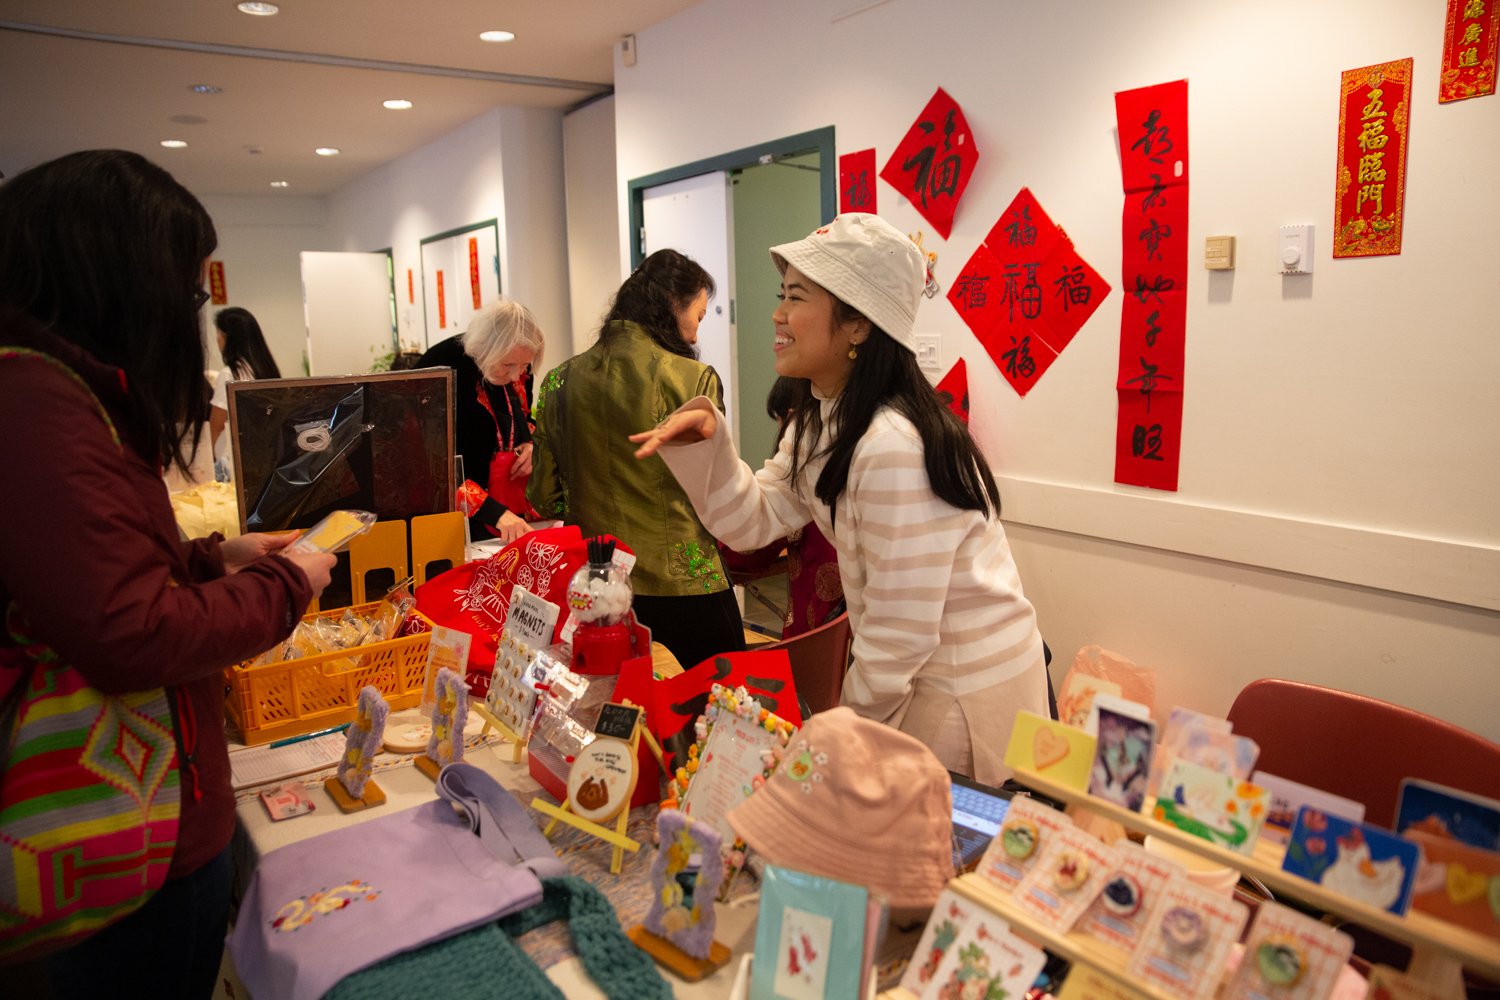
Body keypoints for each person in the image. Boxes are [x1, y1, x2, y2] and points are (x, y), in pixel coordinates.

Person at [0, 149, 335, 998]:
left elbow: (80, 572)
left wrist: (210, 557)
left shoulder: (60, 393)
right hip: (118, 840)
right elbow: (131, 631)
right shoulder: (37, 406)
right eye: (187, 293)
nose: (191, 315)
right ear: (116, 278)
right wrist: (288, 583)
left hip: (147, 822)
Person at [631, 214, 1048, 784]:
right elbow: (752, 520)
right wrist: (708, 442)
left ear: (857, 324)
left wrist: (828, 739)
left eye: (797, 297)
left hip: (958, 689)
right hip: (913, 671)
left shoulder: (892, 445)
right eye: (782, 295)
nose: (777, 314)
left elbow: (899, 638)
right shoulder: (823, 420)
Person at [529, 249, 745, 671]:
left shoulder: (558, 380)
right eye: (698, 317)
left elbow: (543, 497)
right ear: (673, 305)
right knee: (715, 716)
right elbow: (716, 492)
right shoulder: (692, 379)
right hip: (688, 584)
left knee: (615, 715)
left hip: (602, 589)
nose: (696, 334)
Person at [719, 376, 845, 639]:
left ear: (790, 419)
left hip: (819, 623)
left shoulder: (801, 465)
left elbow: (749, 551)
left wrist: (704, 553)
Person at [418, 298, 544, 544]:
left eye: (524, 366)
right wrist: (495, 514)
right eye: (508, 365)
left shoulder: (517, 366)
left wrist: (531, 444)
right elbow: (433, 467)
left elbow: (524, 418)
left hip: (508, 505)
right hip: (455, 519)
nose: (515, 375)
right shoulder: (443, 368)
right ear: (486, 350)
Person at [207, 305, 281, 473]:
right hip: (263, 457)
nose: (217, 340)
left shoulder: (229, 374)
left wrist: (209, 460)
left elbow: (217, 425)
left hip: (233, 462)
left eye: (218, 334)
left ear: (226, 337)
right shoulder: (267, 370)